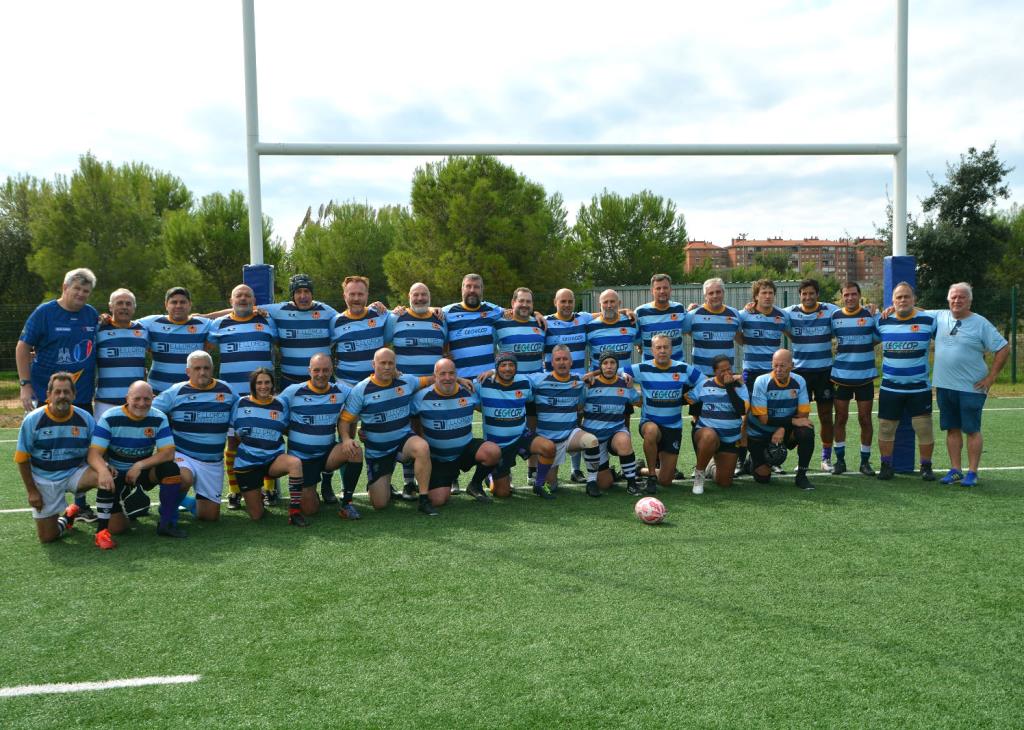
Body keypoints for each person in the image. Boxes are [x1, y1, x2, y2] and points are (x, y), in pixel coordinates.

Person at [17, 268, 100, 520]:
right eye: (76, 289)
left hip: (82, 395)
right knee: (51, 446)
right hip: (49, 394)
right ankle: (46, 495)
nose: (81, 294)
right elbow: (23, 347)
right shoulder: (45, 312)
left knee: (82, 448)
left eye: (86, 291)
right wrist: (25, 384)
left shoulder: (91, 314)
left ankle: (81, 505)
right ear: (64, 288)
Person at [339, 348, 447, 516]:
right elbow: (345, 420)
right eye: (383, 363)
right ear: (373, 364)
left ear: (396, 366)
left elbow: (434, 379)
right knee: (380, 504)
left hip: (403, 441)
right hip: (378, 450)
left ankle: (424, 499)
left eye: (391, 363)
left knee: (422, 447)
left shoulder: (406, 381)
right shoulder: (361, 389)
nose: (387, 367)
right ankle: (380, 482)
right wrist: (346, 438)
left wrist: (459, 379)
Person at [262, 273, 341, 503]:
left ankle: (326, 482)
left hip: (322, 382)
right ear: (292, 294)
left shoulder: (326, 311)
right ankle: (284, 483)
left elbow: (351, 318)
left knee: (326, 429)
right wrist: (204, 316)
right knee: (287, 429)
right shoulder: (279, 310)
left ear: (312, 293)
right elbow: (244, 306)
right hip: (290, 384)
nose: (303, 296)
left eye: (307, 291)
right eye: (298, 292)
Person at [87, 380, 184, 547]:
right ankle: (117, 514)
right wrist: (103, 470)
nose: (142, 403)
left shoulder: (159, 417)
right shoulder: (110, 417)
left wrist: (139, 465)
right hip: (116, 475)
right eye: (137, 398)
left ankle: (166, 523)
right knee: (119, 528)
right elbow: (94, 453)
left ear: (153, 399)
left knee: (170, 468)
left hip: (142, 473)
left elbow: (168, 453)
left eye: (147, 399)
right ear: (127, 398)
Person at [931, 282, 1010, 487]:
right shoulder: (939, 316)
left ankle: (973, 472)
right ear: (948, 299)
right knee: (951, 429)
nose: (957, 300)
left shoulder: (980, 323)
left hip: (971, 388)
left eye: (962, 297)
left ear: (970, 301)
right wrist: (890, 308)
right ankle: (955, 470)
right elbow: (913, 309)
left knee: (972, 430)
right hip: (945, 386)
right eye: (954, 297)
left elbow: (1003, 348)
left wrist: (991, 377)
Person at [208, 284, 279, 506]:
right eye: (238, 295)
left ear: (254, 300)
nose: (243, 299)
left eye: (247, 295)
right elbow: (205, 349)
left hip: (264, 393)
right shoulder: (218, 324)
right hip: (232, 395)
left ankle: (269, 490)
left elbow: (279, 346)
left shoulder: (267, 320)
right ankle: (234, 490)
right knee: (233, 442)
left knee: (265, 438)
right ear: (231, 300)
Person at [14, 373, 106, 543]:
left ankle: (104, 529)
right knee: (48, 537)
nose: (62, 396)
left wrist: (105, 469)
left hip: (74, 473)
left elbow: (96, 450)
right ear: (48, 395)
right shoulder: (33, 419)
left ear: (74, 395)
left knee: (106, 476)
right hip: (44, 478)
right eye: (57, 392)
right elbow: (22, 459)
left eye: (66, 392)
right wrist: (32, 491)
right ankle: (68, 517)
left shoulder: (85, 418)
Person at [153, 351, 238, 522]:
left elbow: (242, 414)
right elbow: (152, 412)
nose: (202, 372)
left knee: (209, 516)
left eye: (206, 368)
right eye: (197, 368)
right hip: (183, 454)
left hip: (213, 461)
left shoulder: (227, 390)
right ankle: (168, 508)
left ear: (213, 369)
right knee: (184, 478)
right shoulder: (176, 391)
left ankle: (186, 502)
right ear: (188, 371)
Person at [279, 353, 364, 520]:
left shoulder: (340, 391)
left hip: (328, 454)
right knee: (310, 510)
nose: (321, 374)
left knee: (355, 450)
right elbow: (274, 412)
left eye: (326, 370)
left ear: (332, 370)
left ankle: (347, 503)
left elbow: (363, 394)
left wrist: (394, 375)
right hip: (302, 459)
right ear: (309, 370)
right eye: (316, 370)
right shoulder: (292, 392)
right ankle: (311, 490)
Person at [386, 282, 449, 497]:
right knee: (407, 432)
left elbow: (447, 348)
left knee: (437, 430)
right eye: (416, 295)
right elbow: (383, 344)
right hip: (406, 388)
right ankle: (408, 481)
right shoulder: (396, 318)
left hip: (435, 387)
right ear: (408, 296)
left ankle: (447, 477)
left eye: (424, 295)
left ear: (430, 297)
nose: (420, 298)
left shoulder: (440, 318)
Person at [412, 358, 501, 505]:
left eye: (451, 373)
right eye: (443, 374)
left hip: (465, 450)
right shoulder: (421, 397)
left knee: (493, 451)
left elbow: (487, 403)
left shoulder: (468, 392)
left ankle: (475, 485)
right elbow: (407, 417)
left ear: (457, 375)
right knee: (438, 500)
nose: (447, 378)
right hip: (438, 458)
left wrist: (492, 371)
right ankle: (427, 478)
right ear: (435, 376)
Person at [623, 334, 705, 495]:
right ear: (652, 350)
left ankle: (641, 469)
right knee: (651, 431)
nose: (662, 351)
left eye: (665, 347)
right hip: (650, 422)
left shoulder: (682, 368)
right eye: (658, 347)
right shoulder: (642, 368)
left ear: (671, 349)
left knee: (667, 480)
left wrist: (691, 397)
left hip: (673, 427)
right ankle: (652, 476)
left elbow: (704, 381)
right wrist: (624, 376)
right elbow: (614, 371)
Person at [875, 283, 938, 482]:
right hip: (890, 387)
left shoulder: (929, 320)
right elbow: (868, 339)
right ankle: (886, 465)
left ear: (914, 299)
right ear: (892, 301)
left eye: (907, 297)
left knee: (924, 428)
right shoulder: (882, 321)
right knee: (886, 427)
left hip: (919, 387)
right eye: (899, 297)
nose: (903, 300)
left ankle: (926, 466)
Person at [231, 368, 308, 525]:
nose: (263, 386)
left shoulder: (280, 404)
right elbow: (235, 435)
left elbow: (286, 428)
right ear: (253, 385)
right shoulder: (240, 403)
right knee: (256, 515)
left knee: (295, 463)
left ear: (272, 384)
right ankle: (256, 495)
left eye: (267, 382)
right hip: (248, 464)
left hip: (273, 460)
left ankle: (294, 512)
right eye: (259, 383)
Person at [477, 352, 556, 499]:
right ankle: (490, 474)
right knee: (502, 493)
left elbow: (533, 394)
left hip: (521, 436)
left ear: (516, 367)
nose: (507, 369)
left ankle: (538, 485)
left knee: (549, 447)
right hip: (497, 445)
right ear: (496, 367)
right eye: (503, 365)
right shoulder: (483, 383)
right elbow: (463, 387)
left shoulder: (525, 382)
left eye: (511, 365)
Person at [736, 278, 790, 474]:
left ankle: (771, 457)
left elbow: (794, 333)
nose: (767, 296)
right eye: (763, 293)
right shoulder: (744, 315)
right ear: (756, 296)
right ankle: (741, 460)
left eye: (770, 293)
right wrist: (744, 340)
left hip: (773, 374)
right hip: (751, 373)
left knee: (771, 415)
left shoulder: (782, 316)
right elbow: (734, 329)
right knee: (745, 417)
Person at [786, 278, 840, 473]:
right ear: (799, 295)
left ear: (817, 294)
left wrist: (872, 308)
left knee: (826, 416)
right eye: (804, 294)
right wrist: (752, 305)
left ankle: (826, 458)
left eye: (811, 293)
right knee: (802, 417)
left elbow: (850, 314)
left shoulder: (830, 309)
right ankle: (803, 459)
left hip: (824, 371)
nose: (807, 297)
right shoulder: (790, 312)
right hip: (800, 374)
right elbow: (771, 316)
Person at [526, 346, 593, 496]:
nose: (562, 362)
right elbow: (515, 377)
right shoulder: (539, 379)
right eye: (558, 359)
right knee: (552, 485)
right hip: (547, 440)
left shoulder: (578, 380)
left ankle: (593, 481)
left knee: (591, 441)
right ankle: (543, 474)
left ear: (571, 362)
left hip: (569, 435)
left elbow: (605, 372)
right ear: (551, 363)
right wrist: (492, 371)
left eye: (565, 359)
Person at [544, 288, 593, 483]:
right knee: (551, 426)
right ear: (555, 302)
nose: (566, 305)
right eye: (562, 301)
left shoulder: (583, 319)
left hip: (578, 384)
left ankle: (575, 470)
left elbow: (603, 313)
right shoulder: (545, 321)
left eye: (570, 301)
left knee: (577, 422)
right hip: (553, 386)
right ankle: (538, 470)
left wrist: (624, 311)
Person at [830, 281, 880, 476]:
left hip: (865, 376)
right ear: (842, 297)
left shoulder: (871, 315)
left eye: (853, 294)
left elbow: (878, 336)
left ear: (860, 295)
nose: (849, 298)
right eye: (846, 295)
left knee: (865, 419)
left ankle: (865, 462)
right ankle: (840, 461)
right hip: (841, 376)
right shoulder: (834, 317)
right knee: (840, 418)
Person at [747, 350, 816, 490]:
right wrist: (789, 423)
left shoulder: (799, 381)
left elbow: (803, 415)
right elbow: (763, 418)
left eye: (783, 366)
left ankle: (801, 476)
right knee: (763, 478)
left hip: (783, 430)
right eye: (775, 365)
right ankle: (752, 461)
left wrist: (783, 427)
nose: (778, 370)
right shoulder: (762, 381)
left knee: (806, 431)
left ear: (792, 365)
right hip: (760, 432)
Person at [581, 351, 641, 495]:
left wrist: (632, 386)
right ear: (600, 366)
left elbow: (637, 401)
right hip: (594, 436)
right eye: (605, 363)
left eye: (612, 363)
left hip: (615, 431)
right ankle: (597, 479)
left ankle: (632, 483)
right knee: (605, 484)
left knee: (624, 440)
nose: (609, 366)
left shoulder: (623, 384)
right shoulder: (590, 384)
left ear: (617, 366)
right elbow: (578, 405)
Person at [689, 355, 749, 494]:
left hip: (730, 438)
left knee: (725, 482)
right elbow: (689, 400)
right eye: (722, 370)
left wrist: (729, 387)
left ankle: (711, 467)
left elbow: (741, 410)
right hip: (706, 433)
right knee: (710, 435)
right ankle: (699, 476)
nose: (726, 373)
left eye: (728, 369)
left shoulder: (740, 386)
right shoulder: (704, 384)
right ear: (715, 371)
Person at [139, 287, 213, 395]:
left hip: (190, 393)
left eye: (183, 302)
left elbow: (234, 313)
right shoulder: (151, 323)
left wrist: (207, 316)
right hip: (157, 393)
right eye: (174, 302)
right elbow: (125, 324)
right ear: (166, 305)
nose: (178, 306)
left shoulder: (203, 324)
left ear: (190, 304)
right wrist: (106, 319)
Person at [94, 288, 149, 420]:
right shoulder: (99, 329)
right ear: (110, 306)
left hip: (136, 404)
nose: (124, 307)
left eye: (128, 304)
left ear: (134, 308)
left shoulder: (143, 330)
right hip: (105, 404)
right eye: (119, 303)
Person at [331, 275, 393, 386]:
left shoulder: (379, 312)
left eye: (360, 294)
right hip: (346, 385)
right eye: (352, 294)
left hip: (377, 385)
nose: (356, 298)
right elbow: (324, 349)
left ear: (367, 295)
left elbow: (407, 313)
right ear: (344, 296)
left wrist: (432, 309)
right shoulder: (335, 322)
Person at [635, 273, 689, 362]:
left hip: (677, 367)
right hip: (650, 370)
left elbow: (689, 328)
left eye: (665, 288)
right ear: (652, 291)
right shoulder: (640, 312)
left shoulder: (679, 308)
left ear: (670, 289)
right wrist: (639, 345)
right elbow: (635, 338)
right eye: (658, 288)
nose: (662, 291)